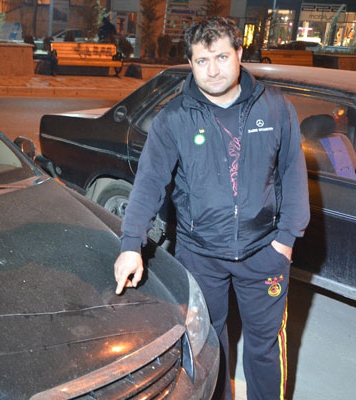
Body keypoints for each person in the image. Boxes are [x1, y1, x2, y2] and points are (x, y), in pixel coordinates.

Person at [113, 17, 310, 400]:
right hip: (200, 256)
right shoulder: (174, 118)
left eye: (221, 57)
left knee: (264, 348)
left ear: (239, 53)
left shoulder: (275, 108)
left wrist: (285, 241)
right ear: (191, 63)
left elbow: (292, 174)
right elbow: (150, 183)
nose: (213, 70)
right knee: (208, 344)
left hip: (264, 253)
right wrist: (130, 244)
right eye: (202, 60)